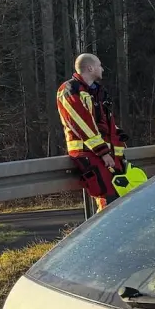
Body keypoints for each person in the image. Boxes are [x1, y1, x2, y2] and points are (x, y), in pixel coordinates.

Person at [56, 53, 126, 212]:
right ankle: (105, 233)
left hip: (104, 152)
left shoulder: (98, 92)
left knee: (117, 195)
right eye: (99, 65)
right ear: (90, 68)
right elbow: (81, 123)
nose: (102, 68)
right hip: (88, 151)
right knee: (106, 195)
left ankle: (112, 232)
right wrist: (103, 151)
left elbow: (106, 121)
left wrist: (118, 140)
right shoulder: (70, 90)